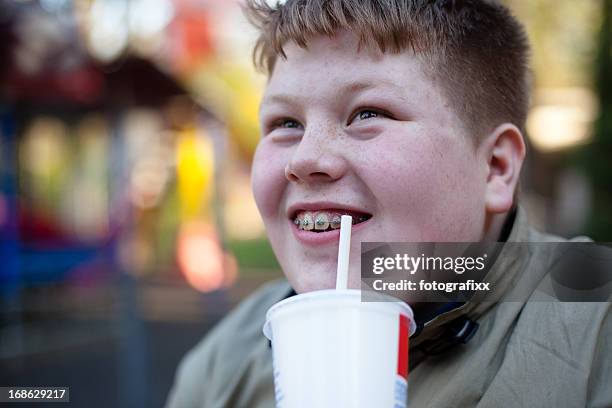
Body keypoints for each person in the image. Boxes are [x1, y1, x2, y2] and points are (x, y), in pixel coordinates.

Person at [165, 1, 611, 407]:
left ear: (494, 168)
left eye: (367, 114)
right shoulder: (222, 365)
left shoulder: (596, 335)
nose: (305, 159)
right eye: (285, 123)